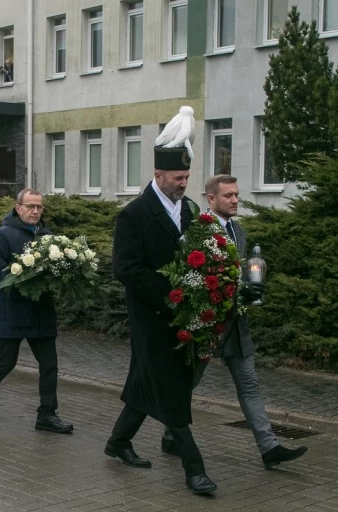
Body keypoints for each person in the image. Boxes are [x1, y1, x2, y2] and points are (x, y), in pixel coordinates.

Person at [104, 106, 217, 495]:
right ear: (158, 175)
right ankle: (194, 467)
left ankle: (118, 442)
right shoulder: (133, 215)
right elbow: (126, 269)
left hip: (183, 317)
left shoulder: (189, 210)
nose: (184, 183)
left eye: (187, 176)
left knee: (146, 383)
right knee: (169, 389)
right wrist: (171, 296)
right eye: (178, 177)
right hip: (152, 317)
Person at [160, 175, 307, 470]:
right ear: (211, 199)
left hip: (236, 326)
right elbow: (194, 279)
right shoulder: (197, 231)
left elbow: (237, 273)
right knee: (189, 382)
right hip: (208, 324)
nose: (235, 200)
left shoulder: (238, 231)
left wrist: (250, 288)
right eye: (228, 196)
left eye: (237, 195)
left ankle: (269, 448)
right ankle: (171, 433)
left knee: (249, 385)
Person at [0, 188, 73, 434]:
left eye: (39, 207)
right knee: (6, 361)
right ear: (18, 208)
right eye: (30, 206)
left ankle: (47, 414)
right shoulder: (3, 235)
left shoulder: (48, 236)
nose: (35, 211)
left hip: (42, 311)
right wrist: (24, 270)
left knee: (49, 365)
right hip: (12, 310)